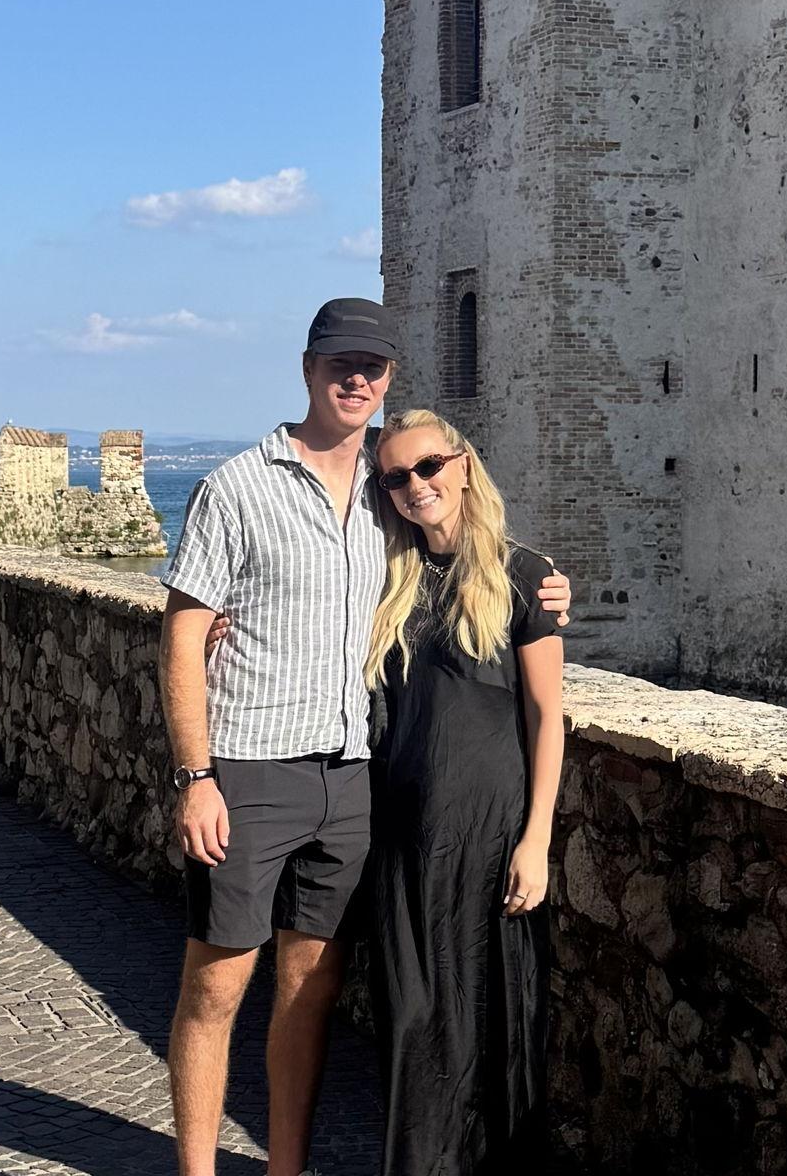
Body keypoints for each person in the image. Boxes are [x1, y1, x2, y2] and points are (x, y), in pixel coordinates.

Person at [159, 298, 570, 1176]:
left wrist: (548, 590)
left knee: (310, 992)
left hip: (351, 782)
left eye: (373, 368)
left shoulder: (386, 513)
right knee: (218, 985)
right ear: (308, 368)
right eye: (340, 363)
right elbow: (183, 630)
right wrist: (196, 774)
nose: (356, 379)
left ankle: (285, 1169)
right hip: (251, 769)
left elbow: (480, 561)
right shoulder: (239, 484)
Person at [365, 410, 564, 1175]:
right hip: (407, 838)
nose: (415, 487)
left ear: (463, 467)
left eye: (428, 468)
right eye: (395, 478)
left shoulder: (524, 576)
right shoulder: (390, 581)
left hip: (491, 836)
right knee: (412, 1020)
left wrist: (537, 841)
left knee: (494, 1022)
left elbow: (548, 716)